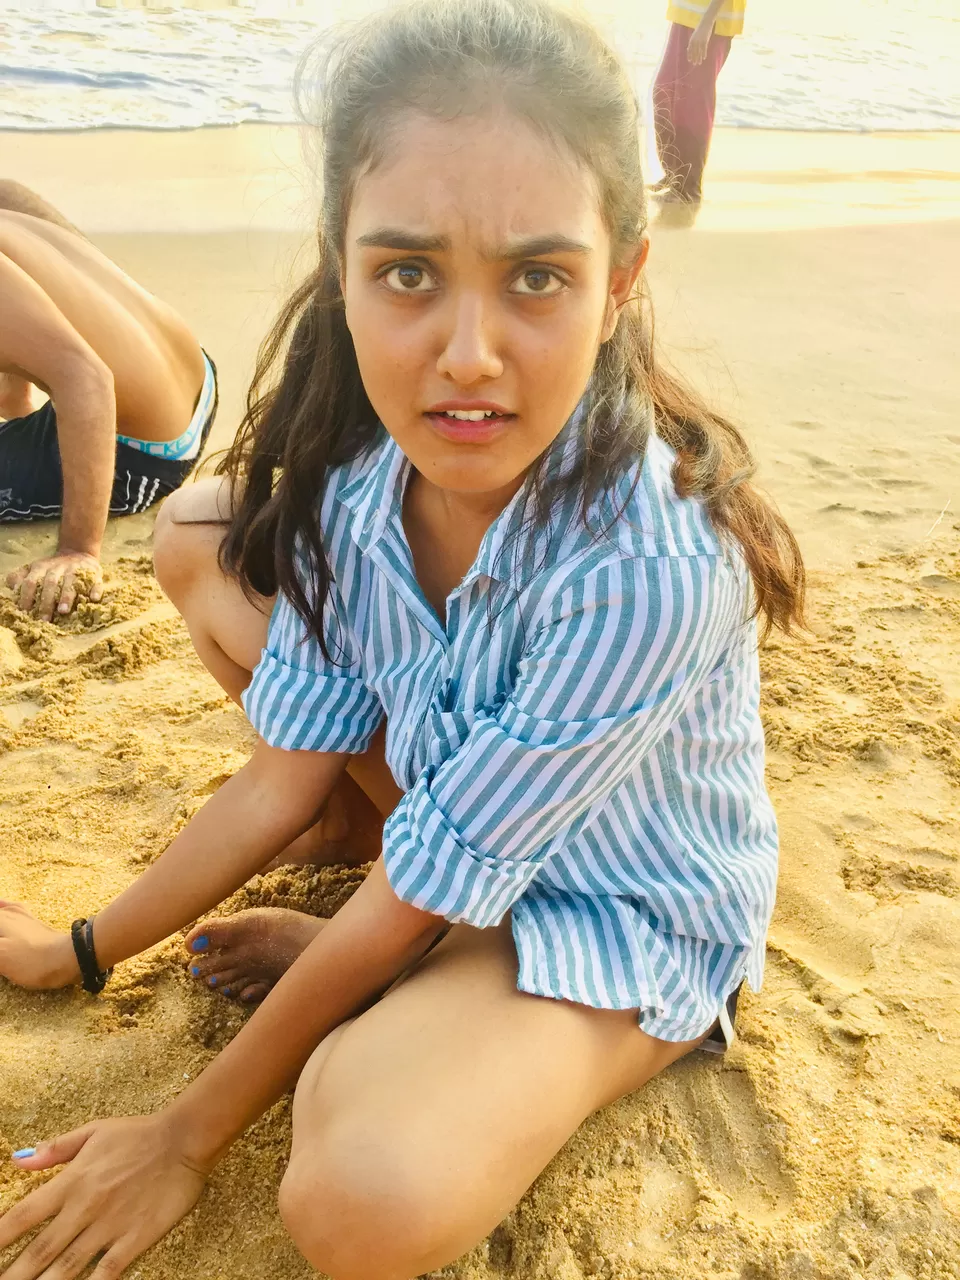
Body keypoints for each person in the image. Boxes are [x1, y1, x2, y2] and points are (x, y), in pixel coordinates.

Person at [0, 2, 803, 1278]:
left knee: (362, 1201)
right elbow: (279, 776)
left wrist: (184, 1135)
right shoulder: (361, 486)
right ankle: (407, 968)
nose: (467, 357)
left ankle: (431, 976)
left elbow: (421, 881)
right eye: (410, 273)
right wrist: (81, 946)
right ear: (341, 262)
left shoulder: (647, 567)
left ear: (619, 285)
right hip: (447, 848)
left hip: (620, 911)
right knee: (213, 535)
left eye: (537, 277)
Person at [0, 181, 217, 621]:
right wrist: (16, 398)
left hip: (136, 451)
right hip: (194, 375)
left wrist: (78, 550)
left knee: (75, 371)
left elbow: (88, 377)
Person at [651, 0, 746, 204]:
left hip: (710, 20)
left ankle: (689, 189)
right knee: (664, 92)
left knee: (693, 105)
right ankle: (675, 175)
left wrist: (706, 22)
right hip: (686, 15)